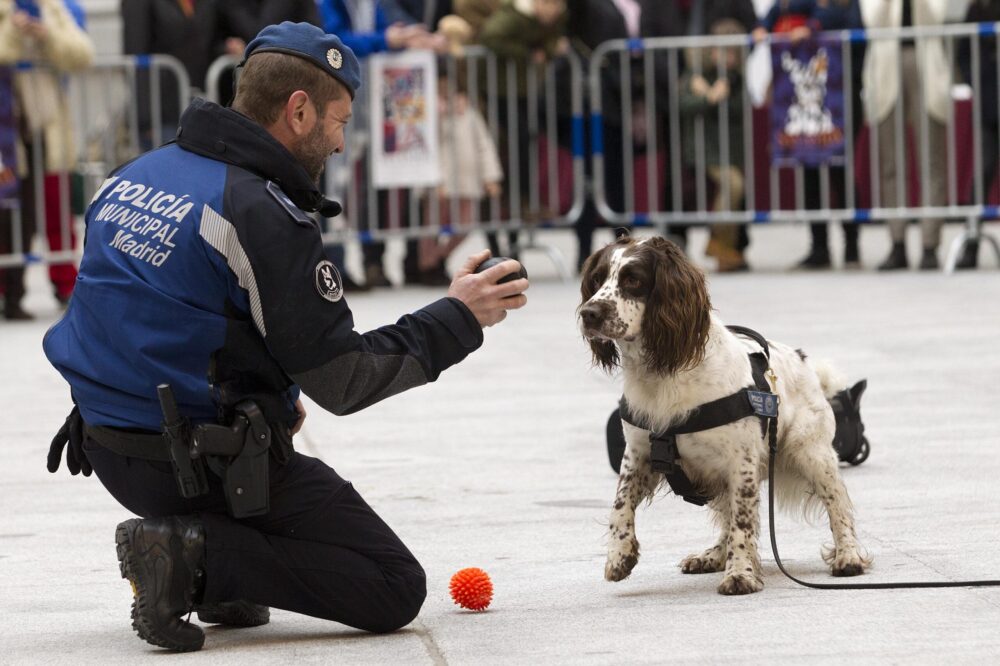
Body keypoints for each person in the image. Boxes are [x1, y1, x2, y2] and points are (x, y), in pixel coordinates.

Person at [42, 22, 528, 652]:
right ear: (298, 111)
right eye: (339, 120)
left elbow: (158, 314)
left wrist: (267, 390)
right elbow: (344, 379)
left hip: (108, 443)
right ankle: (194, 553)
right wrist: (459, 317)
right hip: (193, 464)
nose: (339, 141)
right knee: (393, 585)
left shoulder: (137, 173)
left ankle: (212, 571)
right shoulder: (259, 211)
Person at [0, 0, 94, 319]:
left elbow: (81, 54)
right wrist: (14, 29)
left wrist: (45, 34)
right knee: (9, 216)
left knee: (57, 207)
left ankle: (66, 285)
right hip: (7, 130)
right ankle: (9, 293)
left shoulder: (55, 7)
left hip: (47, 125)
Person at [754, 0, 865, 270]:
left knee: (840, 173)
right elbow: (771, 17)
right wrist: (760, 28)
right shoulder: (787, 4)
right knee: (809, 175)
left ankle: (851, 246)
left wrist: (813, 26)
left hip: (839, 100)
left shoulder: (843, 5)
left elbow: (850, 24)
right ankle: (819, 248)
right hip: (801, 106)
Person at [860, 0, 950, 270]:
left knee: (931, 160)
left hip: (925, 62)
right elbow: (872, 18)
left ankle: (930, 244)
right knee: (891, 162)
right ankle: (897, 242)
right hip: (887, 65)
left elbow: (937, 16)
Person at [419, 64, 504, 285]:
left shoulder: (469, 111)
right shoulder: (430, 111)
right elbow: (427, 146)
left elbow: (483, 143)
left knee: (466, 224)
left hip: (468, 179)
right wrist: (434, 179)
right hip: (442, 180)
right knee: (432, 225)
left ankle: (439, 257)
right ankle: (427, 265)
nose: (445, 88)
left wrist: (490, 176)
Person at [679, 18, 748, 272]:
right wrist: (709, 98)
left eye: (732, 52)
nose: (726, 57)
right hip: (703, 148)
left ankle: (724, 249)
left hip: (730, 149)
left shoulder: (737, 78)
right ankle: (719, 243)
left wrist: (722, 97)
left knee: (736, 189)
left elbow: (741, 109)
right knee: (734, 185)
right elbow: (683, 105)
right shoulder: (696, 74)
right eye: (721, 50)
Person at [957, 0, 1000, 270]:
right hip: (989, 103)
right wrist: (979, 82)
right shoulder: (977, 8)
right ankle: (971, 244)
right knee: (982, 171)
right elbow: (963, 53)